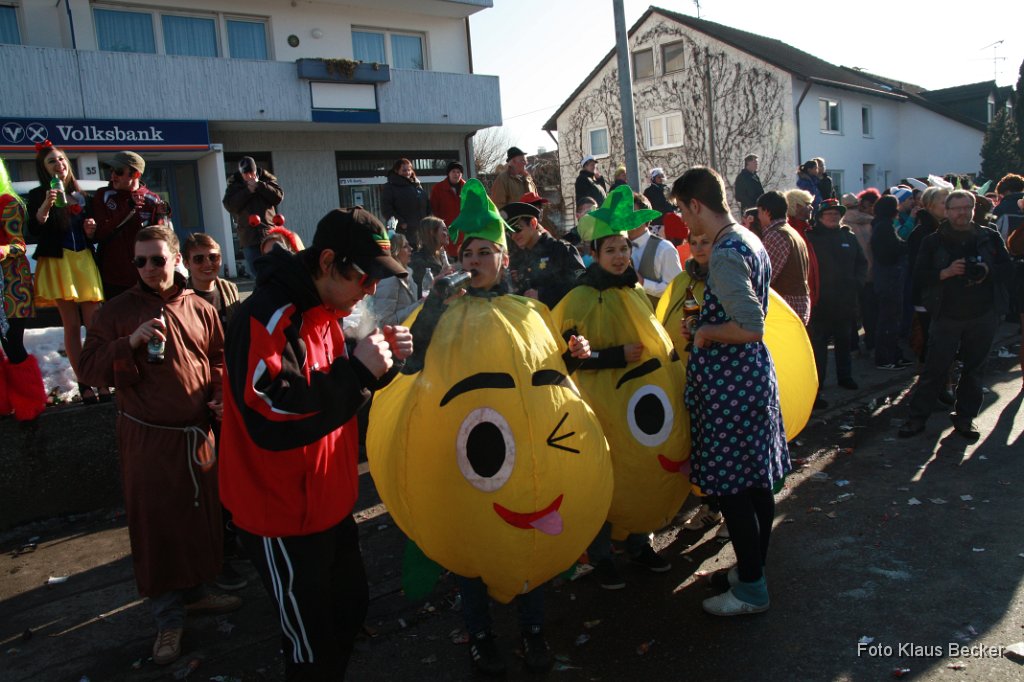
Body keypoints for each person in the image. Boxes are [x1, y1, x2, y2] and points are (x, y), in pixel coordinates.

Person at [218, 207, 413, 680]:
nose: (370, 290)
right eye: (364, 277)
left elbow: (332, 396)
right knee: (311, 643)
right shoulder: (267, 313)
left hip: (327, 502)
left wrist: (378, 368)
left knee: (350, 610)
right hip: (280, 513)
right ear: (328, 261)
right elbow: (273, 413)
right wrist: (360, 371)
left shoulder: (329, 310)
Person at [406, 179, 589, 675]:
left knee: (526, 542)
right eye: (469, 252)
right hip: (469, 454)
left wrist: (571, 359)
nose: (476, 260)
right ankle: (481, 635)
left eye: (487, 251)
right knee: (471, 548)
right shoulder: (444, 312)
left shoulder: (528, 311)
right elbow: (411, 367)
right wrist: (434, 308)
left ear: (504, 259)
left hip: (526, 451)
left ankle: (532, 632)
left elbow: (547, 380)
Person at [79, 225, 240, 667]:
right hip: (148, 437)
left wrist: (220, 393)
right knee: (157, 526)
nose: (149, 268)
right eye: (140, 261)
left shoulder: (199, 307)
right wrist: (129, 342)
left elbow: (219, 358)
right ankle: (167, 618)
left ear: (176, 260)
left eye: (157, 259)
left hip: (197, 432)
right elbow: (89, 368)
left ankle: (197, 593)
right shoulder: (116, 312)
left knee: (199, 517)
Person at [671, 166, 790, 616]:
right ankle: (751, 568)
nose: (684, 221)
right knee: (758, 483)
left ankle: (752, 589)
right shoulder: (749, 237)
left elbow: (750, 327)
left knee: (735, 490)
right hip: (751, 380)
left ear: (697, 204)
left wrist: (704, 331)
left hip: (731, 387)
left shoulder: (723, 252)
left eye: (683, 210)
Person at [552, 186, 679, 590]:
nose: (620, 256)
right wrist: (613, 356)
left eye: (624, 247)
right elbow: (564, 357)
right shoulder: (580, 297)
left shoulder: (635, 290)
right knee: (604, 476)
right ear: (595, 253)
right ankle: (602, 555)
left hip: (639, 409)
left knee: (641, 466)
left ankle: (639, 543)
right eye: (611, 250)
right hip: (600, 407)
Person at [898, 190, 1012, 441]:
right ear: (946, 212)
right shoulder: (933, 241)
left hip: (983, 314)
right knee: (934, 369)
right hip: (947, 314)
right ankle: (917, 418)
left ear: (973, 209)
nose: (962, 212)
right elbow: (917, 277)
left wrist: (986, 270)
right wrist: (945, 273)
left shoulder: (989, 237)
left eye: (966, 207)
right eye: (956, 208)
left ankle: (964, 419)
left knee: (974, 370)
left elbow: (1008, 269)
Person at [655, 226, 722, 536]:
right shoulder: (684, 280)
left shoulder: (726, 278)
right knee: (700, 445)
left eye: (704, 241)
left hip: (722, 378)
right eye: (693, 242)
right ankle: (710, 506)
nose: (698, 247)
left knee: (721, 446)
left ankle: (727, 511)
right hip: (687, 374)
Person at [26, 142, 106, 404]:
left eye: (61, 160)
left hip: (83, 261)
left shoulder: (81, 195)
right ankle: (84, 384)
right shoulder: (39, 194)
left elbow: (91, 234)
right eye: (52, 162)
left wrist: (91, 230)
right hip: (59, 263)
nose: (58, 165)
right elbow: (35, 229)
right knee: (71, 326)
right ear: (44, 169)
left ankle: (101, 381)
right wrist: (47, 205)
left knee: (94, 325)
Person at [0, 157, 48, 421]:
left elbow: (19, 244)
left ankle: (30, 403)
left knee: (13, 346)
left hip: (11, 289)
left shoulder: (8, 203)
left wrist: (4, 249)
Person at [804, 199, 867, 398]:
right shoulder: (810, 238)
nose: (833, 217)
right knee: (819, 345)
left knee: (844, 341)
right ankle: (818, 382)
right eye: (828, 214)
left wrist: (857, 283)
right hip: (820, 302)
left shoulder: (848, 236)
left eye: (836, 214)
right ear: (820, 217)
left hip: (846, 300)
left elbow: (861, 263)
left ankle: (845, 377)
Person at [87, 151, 168, 299]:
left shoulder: (152, 200)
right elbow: (100, 233)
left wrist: (163, 217)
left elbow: (161, 240)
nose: (112, 176)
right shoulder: (103, 195)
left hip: (145, 277)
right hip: (112, 278)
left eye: (118, 172)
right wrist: (129, 208)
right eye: (111, 171)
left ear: (136, 175)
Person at [504, 201, 585, 308]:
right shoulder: (518, 259)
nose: (513, 236)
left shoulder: (561, 249)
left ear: (533, 223)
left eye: (517, 229)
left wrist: (543, 295)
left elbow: (581, 286)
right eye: (509, 232)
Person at [906, 187, 950, 362]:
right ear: (930, 205)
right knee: (930, 343)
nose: (948, 206)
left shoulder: (948, 228)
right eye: (944, 202)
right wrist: (944, 273)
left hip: (948, 295)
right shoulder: (922, 233)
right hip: (927, 297)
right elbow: (917, 271)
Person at [222, 156, 284, 279]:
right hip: (249, 236)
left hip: (269, 233)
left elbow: (278, 197)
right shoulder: (234, 185)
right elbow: (230, 205)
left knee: (276, 269)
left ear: (256, 170)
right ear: (241, 173)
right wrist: (248, 191)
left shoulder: (266, 179)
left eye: (252, 172)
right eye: (246, 173)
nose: (250, 176)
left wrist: (260, 186)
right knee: (258, 274)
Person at [870, 195, 912, 371]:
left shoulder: (881, 225)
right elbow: (889, 252)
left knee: (890, 319)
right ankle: (885, 358)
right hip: (888, 278)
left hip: (887, 277)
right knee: (889, 320)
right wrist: (905, 247)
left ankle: (893, 354)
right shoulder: (884, 227)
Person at [757, 191, 811, 325]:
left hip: (786, 306)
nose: (758, 217)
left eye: (759, 211)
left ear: (766, 212)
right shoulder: (791, 232)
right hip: (798, 304)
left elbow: (765, 278)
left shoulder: (776, 236)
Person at [627, 193, 683, 306]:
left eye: (632, 213)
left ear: (645, 217)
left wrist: (643, 283)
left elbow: (677, 290)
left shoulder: (665, 249)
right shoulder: (615, 248)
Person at [844, 188, 880, 350]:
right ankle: (871, 342)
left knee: (851, 312)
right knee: (870, 311)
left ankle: (853, 345)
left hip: (851, 275)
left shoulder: (842, 224)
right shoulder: (872, 222)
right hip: (871, 274)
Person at [183, 233, 239, 330]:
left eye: (213, 257)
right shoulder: (178, 294)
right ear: (186, 264)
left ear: (220, 260)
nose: (208, 264)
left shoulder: (230, 289)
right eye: (198, 259)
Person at [370, 232, 419, 326]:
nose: (411, 248)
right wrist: (418, 305)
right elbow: (384, 322)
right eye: (405, 246)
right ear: (394, 252)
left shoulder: (407, 273)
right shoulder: (389, 278)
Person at [381, 157, 428, 248]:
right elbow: (386, 210)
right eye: (404, 170)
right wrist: (402, 223)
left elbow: (426, 204)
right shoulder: (390, 187)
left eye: (409, 170)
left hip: (421, 232)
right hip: (403, 233)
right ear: (396, 171)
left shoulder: (417, 185)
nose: (407, 173)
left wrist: (428, 220)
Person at [785, 189, 820, 309]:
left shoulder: (807, 230)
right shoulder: (791, 232)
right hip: (796, 301)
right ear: (797, 206)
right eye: (808, 204)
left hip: (808, 299)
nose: (811, 208)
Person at [409, 216, 453, 298]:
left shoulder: (444, 257)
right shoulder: (418, 261)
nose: (447, 233)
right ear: (432, 232)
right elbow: (421, 291)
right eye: (444, 229)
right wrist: (441, 275)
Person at [428, 160, 464, 231]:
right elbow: (433, 210)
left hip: (464, 229)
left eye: (458, 172)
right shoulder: (438, 188)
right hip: (446, 229)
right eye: (453, 171)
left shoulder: (468, 188)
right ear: (448, 173)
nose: (456, 174)